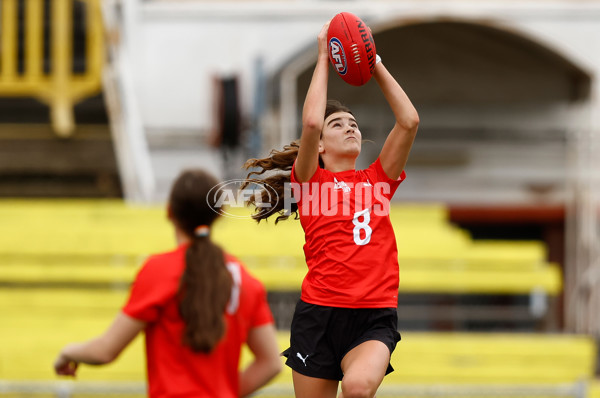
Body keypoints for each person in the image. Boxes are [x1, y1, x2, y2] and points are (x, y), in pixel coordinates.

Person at [242, 18, 419, 398]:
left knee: (357, 388)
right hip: (318, 315)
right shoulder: (309, 183)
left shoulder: (378, 180)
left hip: (373, 314)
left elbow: (408, 121)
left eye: (353, 123)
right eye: (338, 124)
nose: (351, 128)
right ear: (320, 147)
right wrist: (323, 56)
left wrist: (373, 63)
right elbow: (310, 123)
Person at [53, 169, 282, 398]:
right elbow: (271, 363)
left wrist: (67, 352)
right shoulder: (244, 279)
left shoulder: (158, 271)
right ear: (219, 214)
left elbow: (105, 351)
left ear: (169, 211)